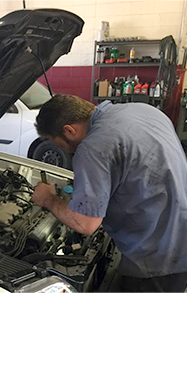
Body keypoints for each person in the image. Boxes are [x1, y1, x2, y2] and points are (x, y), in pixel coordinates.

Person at [31, 94, 187, 293]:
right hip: (178, 226)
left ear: (69, 130)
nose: (67, 152)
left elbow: (84, 223)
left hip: (158, 257)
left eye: (61, 145)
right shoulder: (142, 110)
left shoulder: (94, 147)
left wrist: (48, 199)